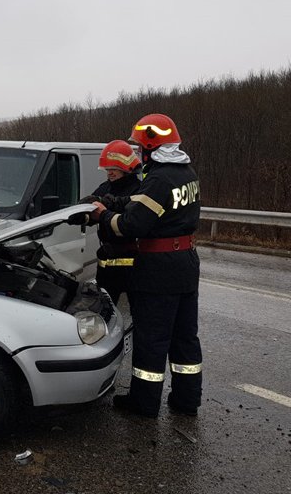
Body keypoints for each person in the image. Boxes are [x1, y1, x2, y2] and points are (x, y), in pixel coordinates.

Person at [91, 113, 202, 418]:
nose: (139, 152)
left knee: (151, 338)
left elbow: (131, 225)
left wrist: (102, 215)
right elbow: (144, 206)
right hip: (185, 264)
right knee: (185, 338)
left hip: (158, 269)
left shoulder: (159, 177)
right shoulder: (186, 173)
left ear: (153, 146)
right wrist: (113, 203)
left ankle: (144, 402)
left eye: (141, 146)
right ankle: (187, 400)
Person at [70, 140, 141, 305]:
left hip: (133, 268)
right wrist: (82, 217)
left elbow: (132, 222)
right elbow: (92, 213)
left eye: (114, 169)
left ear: (126, 168)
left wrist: (104, 211)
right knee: (104, 313)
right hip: (106, 266)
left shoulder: (138, 190)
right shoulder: (105, 188)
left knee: (139, 313)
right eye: (107, 169)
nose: (109, 173)